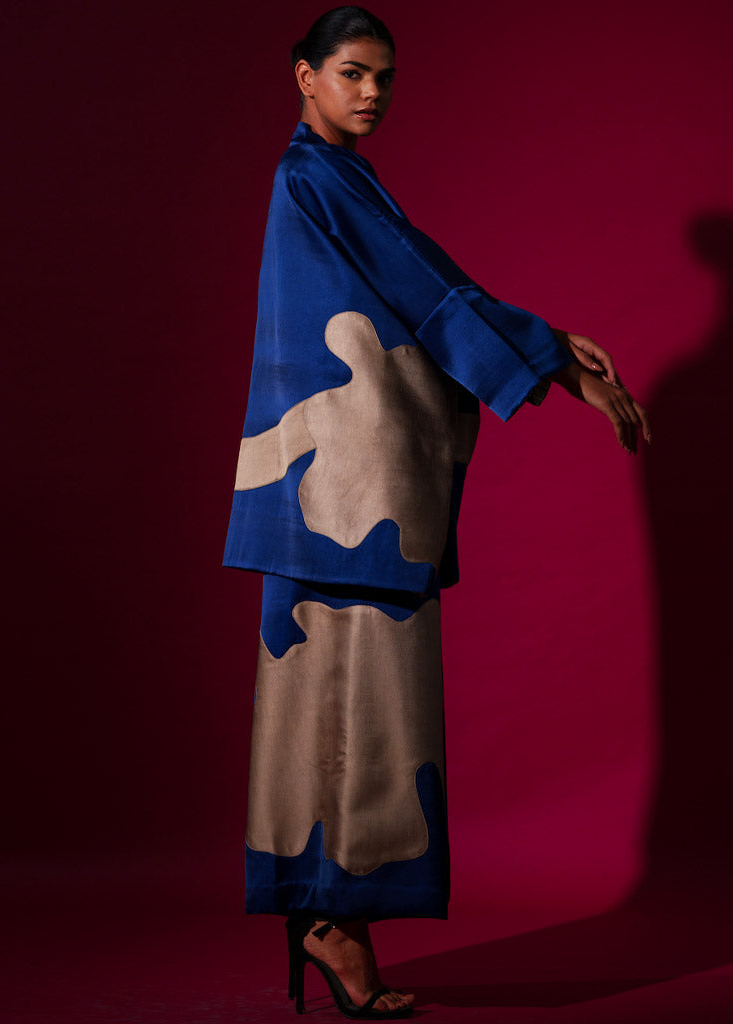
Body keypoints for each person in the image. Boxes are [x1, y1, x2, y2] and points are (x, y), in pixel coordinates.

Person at [222, 7, 650, 1018]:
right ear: (304, 76)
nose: (372, 92)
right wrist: (554, 366)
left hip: (343, 498)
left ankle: (327, 918)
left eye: (385, 76)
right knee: (346, 708)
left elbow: (426, 275)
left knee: (348, 709)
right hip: (342, 499)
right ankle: (330, 923)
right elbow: (420, 289)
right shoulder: (315, 177)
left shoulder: (340, 176)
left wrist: (548, 341)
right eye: (352, 72)